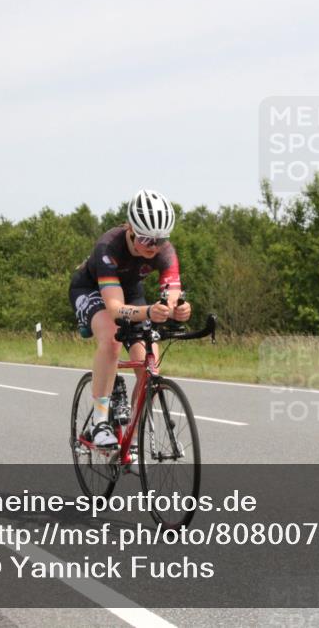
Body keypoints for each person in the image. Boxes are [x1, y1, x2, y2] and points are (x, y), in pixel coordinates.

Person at [69, 189, 191, 447]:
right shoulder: (108, 246)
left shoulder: (164, 251)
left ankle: (132, 439)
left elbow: (171, 293)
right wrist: (149, 311)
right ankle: (100, 422)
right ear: (132, 230)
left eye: (160, 240)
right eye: (147, 240)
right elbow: (114, 308)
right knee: (112, 339)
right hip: (91, 290)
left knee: (150, 363)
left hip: (131, 291)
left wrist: (176, 308)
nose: (154, 247)